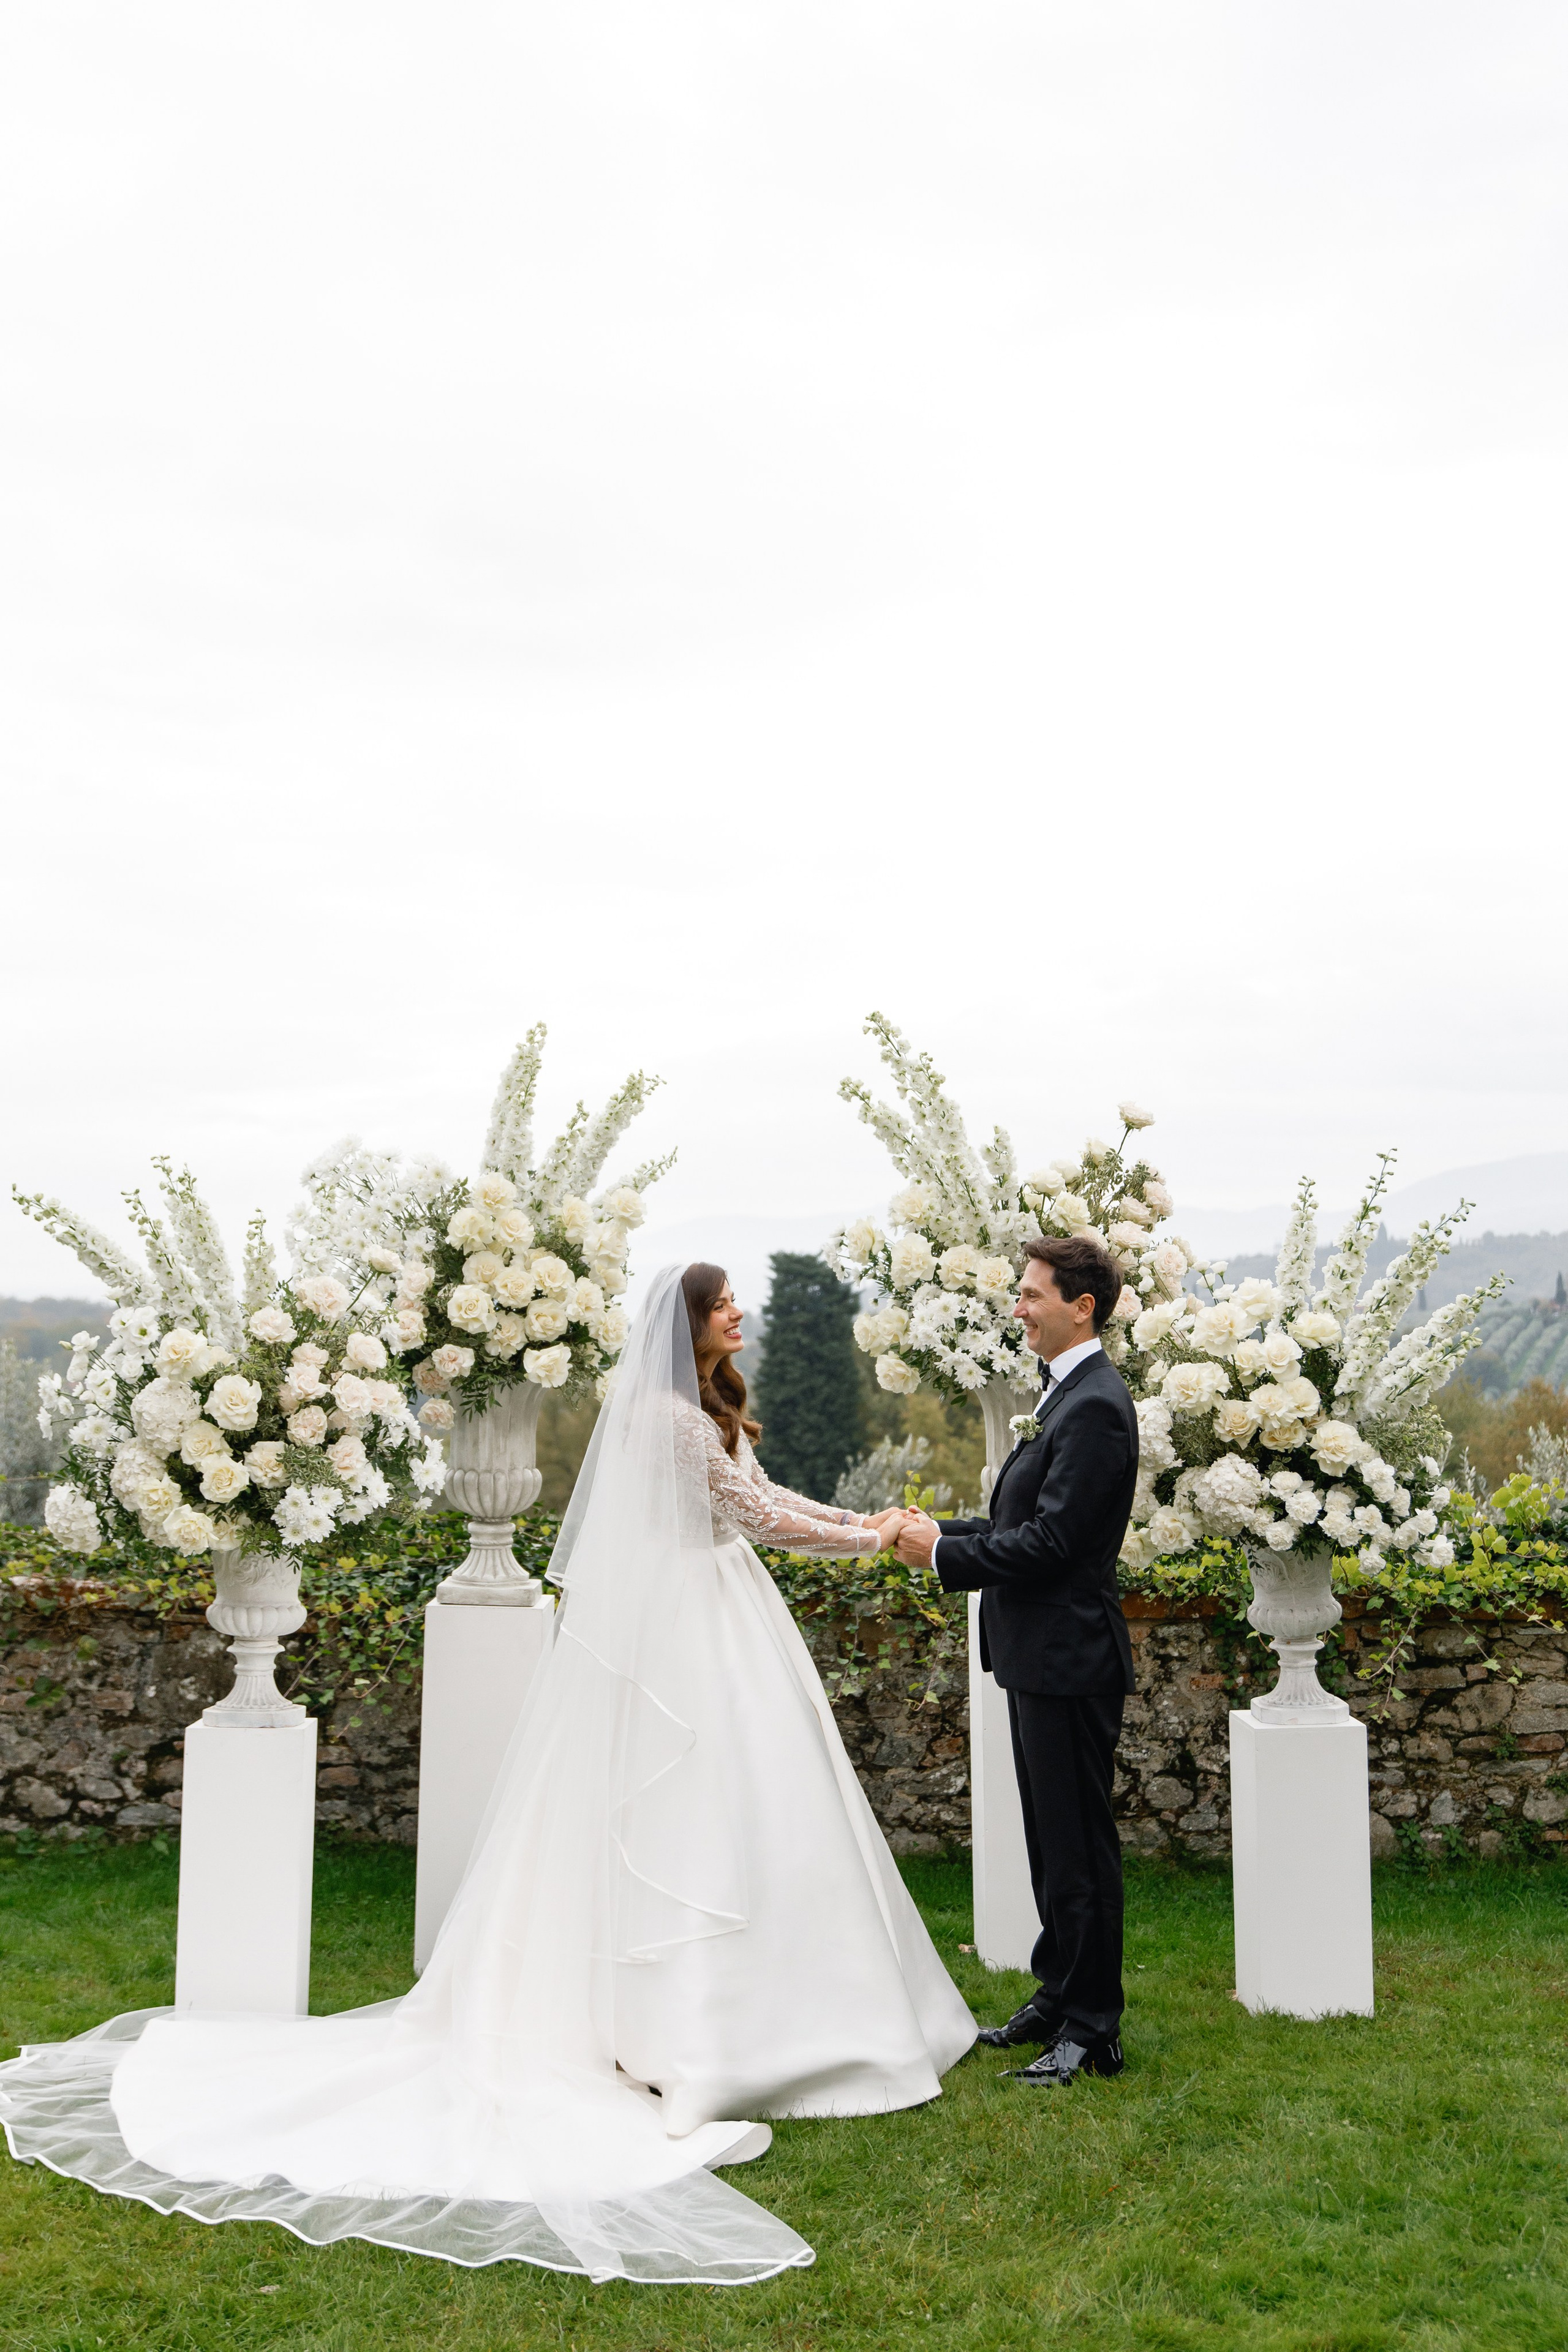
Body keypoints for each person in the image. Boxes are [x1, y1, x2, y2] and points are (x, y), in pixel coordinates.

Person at [0, 1263, 973, 2287]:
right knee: (695, 1817)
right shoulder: (671, 1420)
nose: (739, 1314)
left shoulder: (702, 1409)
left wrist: (878, 1526)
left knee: (753, 1816)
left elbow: (766, 1496)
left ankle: (755, 2021)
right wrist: (877, 1539)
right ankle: (690, 2033)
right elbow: (759, 1519)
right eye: (723, 1302)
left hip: (720, 1620)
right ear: (689, 1323)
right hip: (694, 1639)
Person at [895, 1234, 1137, 2089]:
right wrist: (938, 1534)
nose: (1018, 1308)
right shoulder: (1062, 1397)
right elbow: (1015, 1528)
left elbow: (1056, 1544)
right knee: (1048, 1840)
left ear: (1083, 1307)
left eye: (1032, 1294)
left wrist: (938, 1560)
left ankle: (1093, 2028)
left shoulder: (1098, 1405)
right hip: (1039, 1655)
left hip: (1072, 1656)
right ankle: (1057, 1991)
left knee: (1078, 1847)